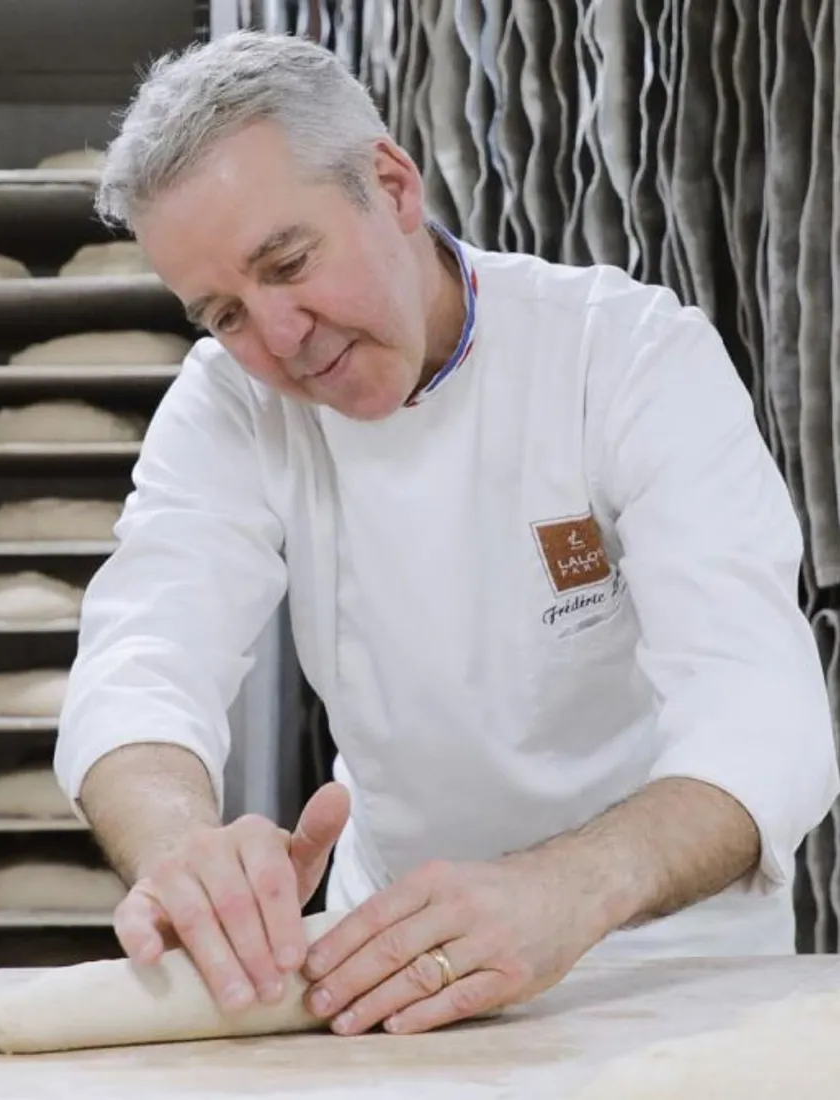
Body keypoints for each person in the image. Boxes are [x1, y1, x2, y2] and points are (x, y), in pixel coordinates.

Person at [54, 30, 839, 1037]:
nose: (279, 338)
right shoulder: (228, 407)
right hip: (388, 961)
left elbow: (759, 713)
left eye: (288, 263)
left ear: (389, 186)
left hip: (662, 956)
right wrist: (178, 849)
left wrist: (567, 888)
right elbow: (143, 655)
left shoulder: (625, 357)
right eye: (224, 314)